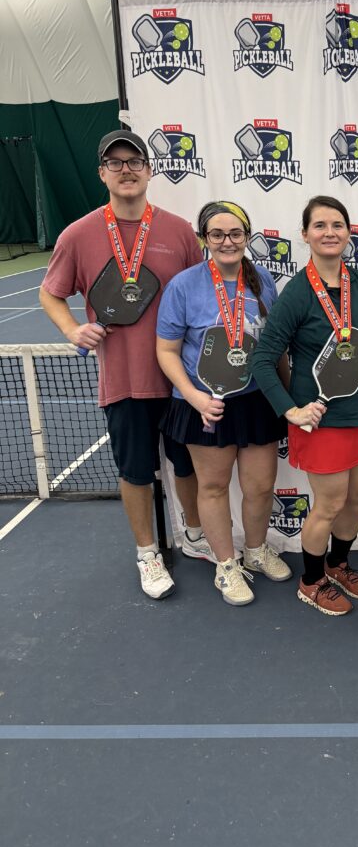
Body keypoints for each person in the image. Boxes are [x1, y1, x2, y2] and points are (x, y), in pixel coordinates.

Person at [39, 130, 205, 600]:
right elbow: (51, 292)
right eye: (115, 163)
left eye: (135, 161)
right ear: (102, 174)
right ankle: (148, 553)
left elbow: (200, 294)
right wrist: (73, 330)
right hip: (124, 381)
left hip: (181, 382)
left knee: (187, 464)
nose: (126, 169)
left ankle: (193, 533)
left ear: (149, 170)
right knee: (135, 471)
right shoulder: (78, 234)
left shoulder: (178, 232)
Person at [252, 196, 358, 616]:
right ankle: (312, 579)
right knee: (330, 504)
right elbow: (263, 359)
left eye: (337, 224)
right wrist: (291, 411)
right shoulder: (298, 292)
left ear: (349, 232)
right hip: (323, 423)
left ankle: (339, 565)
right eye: (320, 225)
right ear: (305, 235)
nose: (330, 232)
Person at [156, 202, 291, 606]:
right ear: (205, 239)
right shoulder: (183, 285)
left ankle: (255, 550)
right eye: (217, 234)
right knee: (213, 487)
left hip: (255, 402)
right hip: (204, 403)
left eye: (235, 233)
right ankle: (226, 566)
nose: (227, 241)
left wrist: (285, 398)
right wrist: (195, 396)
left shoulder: (263, 280)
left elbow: (276, 347)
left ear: (246, 237)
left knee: (260, 487)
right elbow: (166, 351)